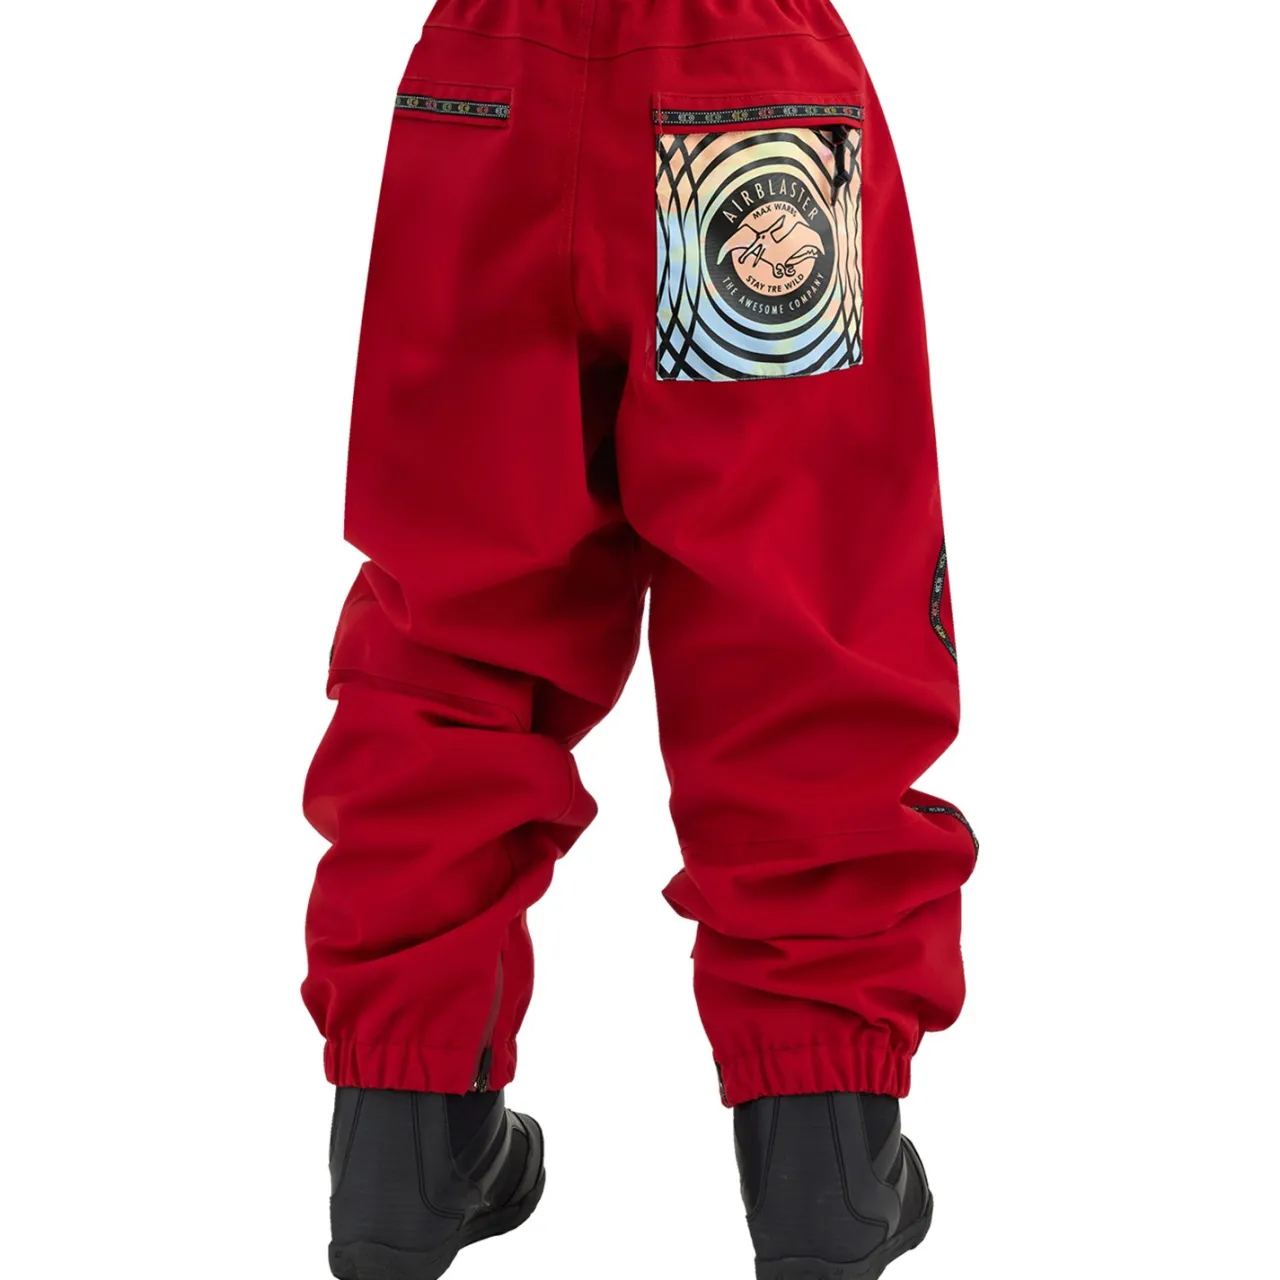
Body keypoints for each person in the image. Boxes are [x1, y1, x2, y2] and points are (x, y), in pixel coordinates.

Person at [302, 2, 977, 1277]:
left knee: (451, 619)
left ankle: (403, 1144)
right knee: (800, 629)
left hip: (486, 84)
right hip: (748, 98)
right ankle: (824, 1163)